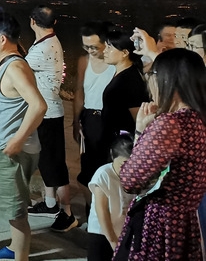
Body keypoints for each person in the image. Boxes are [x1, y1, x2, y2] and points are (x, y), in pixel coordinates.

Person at [114, 48, 206, 260]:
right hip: (186, 225)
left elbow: (130, 180)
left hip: (159, 225)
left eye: (152, 73)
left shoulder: (170, 124)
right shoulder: (198, 119)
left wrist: (140, 131)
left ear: (168, 79)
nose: (149, 81)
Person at [0, 11, 47, 261]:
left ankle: (21, 255)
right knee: (13, 208)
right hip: (7, 146)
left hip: (12, 152)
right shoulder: (9, 64)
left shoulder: (14, 67)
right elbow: (12, 106)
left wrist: (17, 140)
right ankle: (15, 247)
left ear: (1, 39)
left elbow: (38, 106)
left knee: (16, 211)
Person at [25, 5, 78, 232]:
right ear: (54, 23)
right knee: (47, 162)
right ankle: (49, 204)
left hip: (48, 113)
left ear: (32, 22)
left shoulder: (43, 48)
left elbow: (20, 70)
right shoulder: (48, 42)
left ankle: (67, 213)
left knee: (54, 164)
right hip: (48, 110)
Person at [73, 22, 116, 218]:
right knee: (88, 169)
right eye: (86, 46)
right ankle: (92, 212)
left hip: (110, 119)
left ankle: (109, 213)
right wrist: (76, 121)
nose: (90, 50)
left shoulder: (115, 62)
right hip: (90, 118)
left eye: (94, 47)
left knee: (109, 168)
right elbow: (79, 92)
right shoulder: (84, 61)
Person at [100, 29, 148, 162]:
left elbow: (138, 116)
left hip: (122, 145)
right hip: (113, 139)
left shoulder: (130, 80)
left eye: (109, 47)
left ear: (125, 53)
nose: (104, 51)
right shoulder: (122, 73)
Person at [87, 134, 135, 261]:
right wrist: (112, 240)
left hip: (122, 232)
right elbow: (101, 210)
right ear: (112, 155)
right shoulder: (103, 174)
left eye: (132, 165)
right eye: (124, 164)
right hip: (101, 232)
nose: (128, 169)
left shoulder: (134, 177)